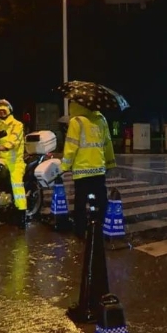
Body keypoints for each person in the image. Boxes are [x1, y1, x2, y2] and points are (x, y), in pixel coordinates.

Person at [60, 101, 116, 239]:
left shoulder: (76, 121)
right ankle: (101, 227)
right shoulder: (101, 119)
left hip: (82, 170)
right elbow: (107, 143)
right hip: (98, 169)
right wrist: (109, 163)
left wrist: (64, 166)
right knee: (101, 200)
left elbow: (71, 147)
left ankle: (80, 231)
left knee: (80, 203)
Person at [0, 99, 28, 229]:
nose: (1, 113)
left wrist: (2, 147)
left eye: (4, 110)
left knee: (17, 185)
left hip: (15, 162)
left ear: (9, 111)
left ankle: (21, 214)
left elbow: (13, 141)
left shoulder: (17, 124)